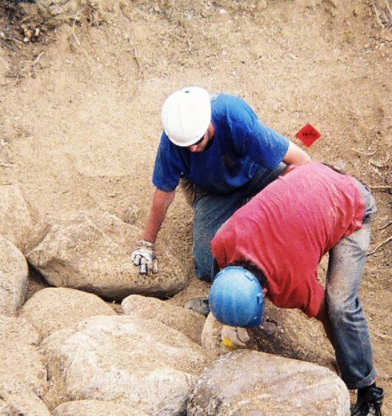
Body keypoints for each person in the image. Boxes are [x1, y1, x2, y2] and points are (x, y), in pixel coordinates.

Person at [206, 162, 383, 416]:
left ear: (264, 295)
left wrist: (342, 353)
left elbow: (326, 315)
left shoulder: (292, 283)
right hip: (310, 173)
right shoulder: (223, 241)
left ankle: (368, 389)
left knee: (341, 306)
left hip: (354, 201)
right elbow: (221, 264)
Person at [131, 86, 311, 281]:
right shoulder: (172, 142)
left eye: (197, 140)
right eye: (186, 145)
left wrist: (273, 207)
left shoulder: (235, 117)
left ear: (208, 122)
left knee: (297, 189)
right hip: (212, 191)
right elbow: (163, 194)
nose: (192, 148)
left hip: (255, 170)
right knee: (209, 266)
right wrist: (146, 243)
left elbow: (301, 161)